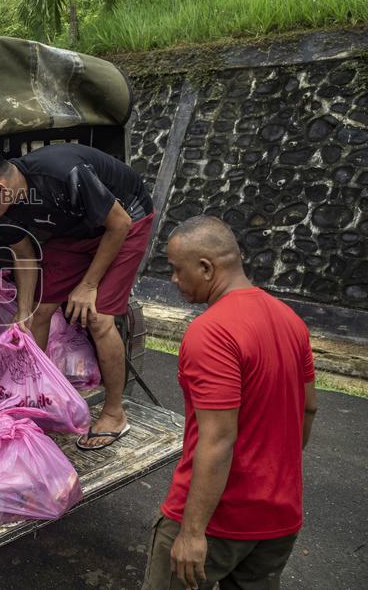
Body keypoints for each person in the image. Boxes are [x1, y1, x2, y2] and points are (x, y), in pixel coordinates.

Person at [143, 216, 317, 590]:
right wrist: (270, 470)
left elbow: (218, 440)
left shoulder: (212, 332)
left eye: (176, 270)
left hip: (218, 521)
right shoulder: (292, 321)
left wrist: (191, 533)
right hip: (277, 517)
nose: (173, 280)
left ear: (206, 267)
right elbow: (308, 408)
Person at [0, 142, 154, 450]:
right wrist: (23, 309)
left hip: (124, 221)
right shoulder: (3, 206)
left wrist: (88, 286)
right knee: (36, 314)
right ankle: (33, 401)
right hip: (74, 233)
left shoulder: (63, 172)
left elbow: (119, 224)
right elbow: (24, 255)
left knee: (99, 318)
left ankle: (115, 414)